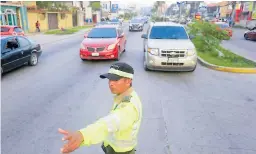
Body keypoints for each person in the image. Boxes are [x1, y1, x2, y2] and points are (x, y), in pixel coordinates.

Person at [58, 62, 142, 154]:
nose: (111, 83)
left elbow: (109, 124)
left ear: (128, 81)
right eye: (109, 79)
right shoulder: (122, 96)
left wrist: (83, 135)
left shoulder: (129, 106)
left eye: (115, 80)